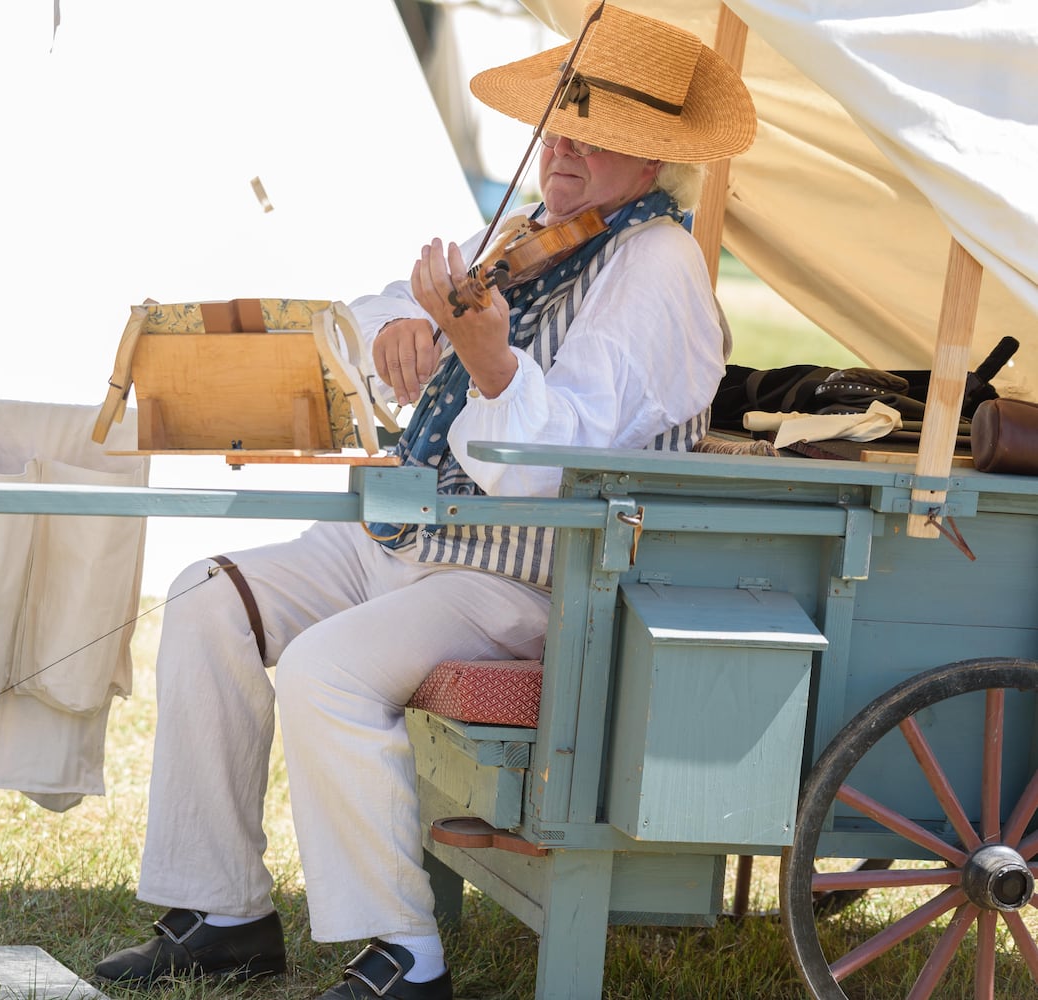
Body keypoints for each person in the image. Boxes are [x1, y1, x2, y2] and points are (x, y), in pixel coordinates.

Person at [92, 5, 757, 999]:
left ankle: (406, 953)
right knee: (204, 598)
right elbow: (374, 321)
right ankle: (222, 907)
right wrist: (403, 331)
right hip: (416, 538)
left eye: (594, 131)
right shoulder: (534, 236)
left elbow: (551, 458)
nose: (563, 148)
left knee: (323, 669)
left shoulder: (655, 267)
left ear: (653, 157)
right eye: (559, 124)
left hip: (529, 576)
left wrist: (488, 363)